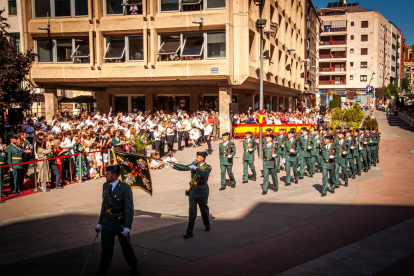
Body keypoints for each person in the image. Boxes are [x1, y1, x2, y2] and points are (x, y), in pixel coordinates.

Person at [96, 165, 138, 276]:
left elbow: (129, 208)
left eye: (108, 173)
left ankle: (134, 267)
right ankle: (102, 273)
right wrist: (100, 222)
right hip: (107, 222)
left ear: (114, 175)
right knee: (106, 251)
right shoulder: (105, 186)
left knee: (126, 248)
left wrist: (127, 226)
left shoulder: (125, 188)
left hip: (120, 222)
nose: (106, 175)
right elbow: (104, 205)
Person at [172, 152, 211, 239]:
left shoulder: (208, 167)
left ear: (202, 158)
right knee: (192, 211)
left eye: (197, 157)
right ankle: (189, 232)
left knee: (204, 210)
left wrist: (196, 169)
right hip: (193, 191)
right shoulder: (194, 164)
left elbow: (204, 175)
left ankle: (207, 224)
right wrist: (172, 165)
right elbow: (184, 167)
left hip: (202, 191)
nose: (195, 159)